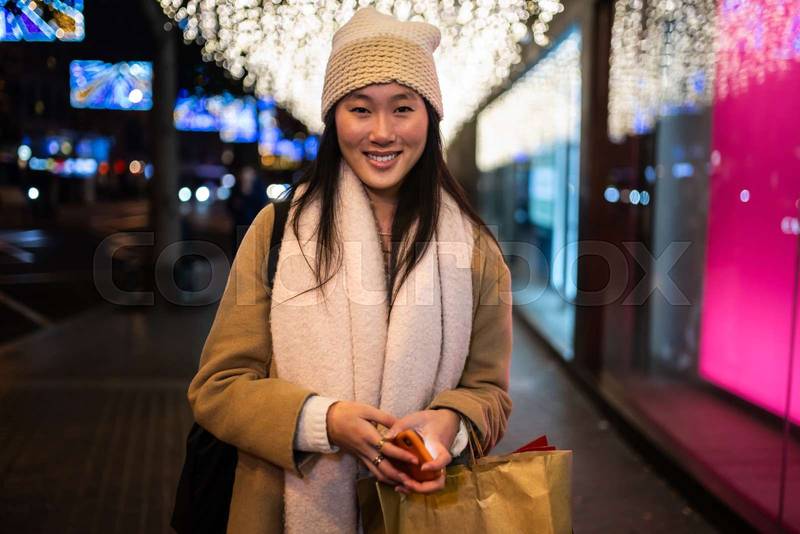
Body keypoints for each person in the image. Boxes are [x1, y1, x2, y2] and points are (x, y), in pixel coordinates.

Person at [187, 7, 513, 533]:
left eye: (402, 108)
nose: (382, 133)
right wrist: (325, 421)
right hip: (282, 512)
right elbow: (217, 387)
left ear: (429, 117)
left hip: (424, 512)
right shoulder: (277, 230)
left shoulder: (474, 249)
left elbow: (490, 393)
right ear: (334, 117)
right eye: (360, 109)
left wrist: (449, 425)